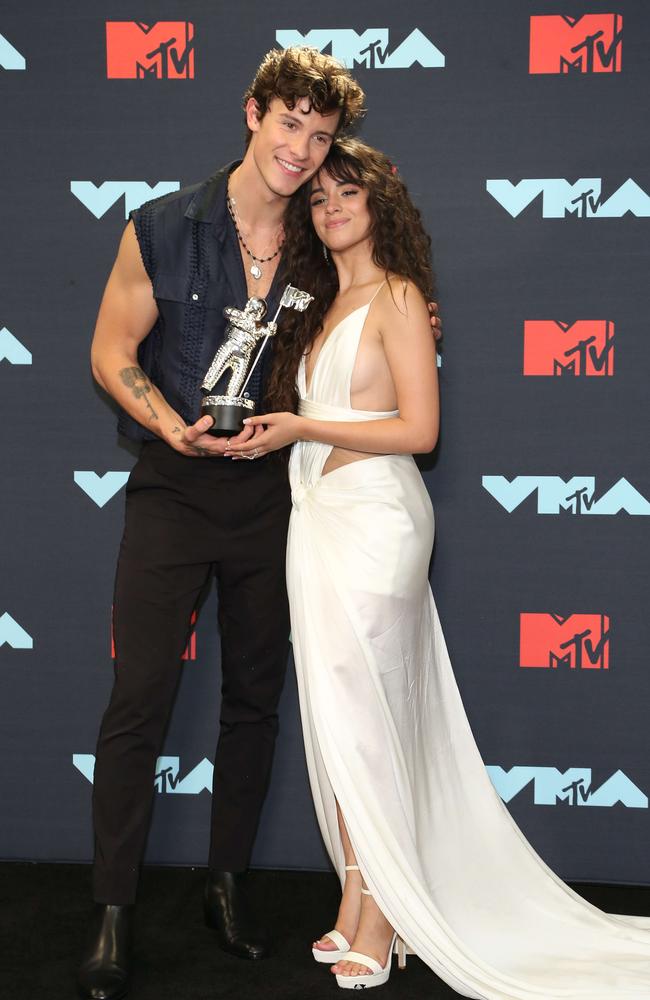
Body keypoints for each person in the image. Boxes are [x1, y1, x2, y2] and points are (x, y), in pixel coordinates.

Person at [227, 138, 650, 996]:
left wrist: (306, 428)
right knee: (340, 721)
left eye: (349, 193)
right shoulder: (316, 304)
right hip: (316, 524)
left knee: (372, 718)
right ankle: (357, 896)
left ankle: (383, 918)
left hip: (378, 525)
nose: (331, 207)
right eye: (319, 199)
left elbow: (420, 432)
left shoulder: (400, 295)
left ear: (382, 204)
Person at [75, 47, 368, 1000]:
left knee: (253, 700)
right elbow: (112, 349)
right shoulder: (162, 226)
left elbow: (377, 312)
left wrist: (413, 321)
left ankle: (226, 887)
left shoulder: (324, 246)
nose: (301, 149)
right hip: (171, 486)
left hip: (272, 499)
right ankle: (112, 913)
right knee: (140, 700)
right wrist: (172, 428)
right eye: (289, 124)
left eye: (319, 137)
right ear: (252, 113)